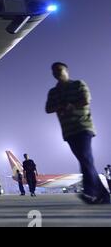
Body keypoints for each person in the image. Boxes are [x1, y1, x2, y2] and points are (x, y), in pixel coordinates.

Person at [46, 62, 110, 204]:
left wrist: (71, 106)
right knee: (85, 160)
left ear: (67, 71)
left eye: (59, 70)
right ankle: (104, 196)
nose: (56, 73)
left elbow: (86, 100)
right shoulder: (53, 92)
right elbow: (48, 108)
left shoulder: (78, 84)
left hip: (83, 127)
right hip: (68, 131)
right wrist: (60, 106)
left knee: (85, 158)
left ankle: (89, 192)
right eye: (53, 71)